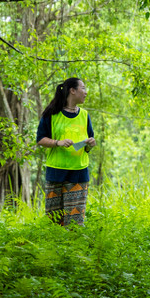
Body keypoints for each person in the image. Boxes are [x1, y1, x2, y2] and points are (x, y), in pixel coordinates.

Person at [36, 77, 96, 226]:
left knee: (75, 221)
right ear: (72, 90)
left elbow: (88, 143)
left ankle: (74, 248)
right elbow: (40, 139)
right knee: (54, 220)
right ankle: (55, 249)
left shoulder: (84, 115)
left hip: (79, 172)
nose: (86, 92)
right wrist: (58, 143)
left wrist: (90, 144)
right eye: (83, 88)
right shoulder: (52, 114)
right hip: (56, 172)